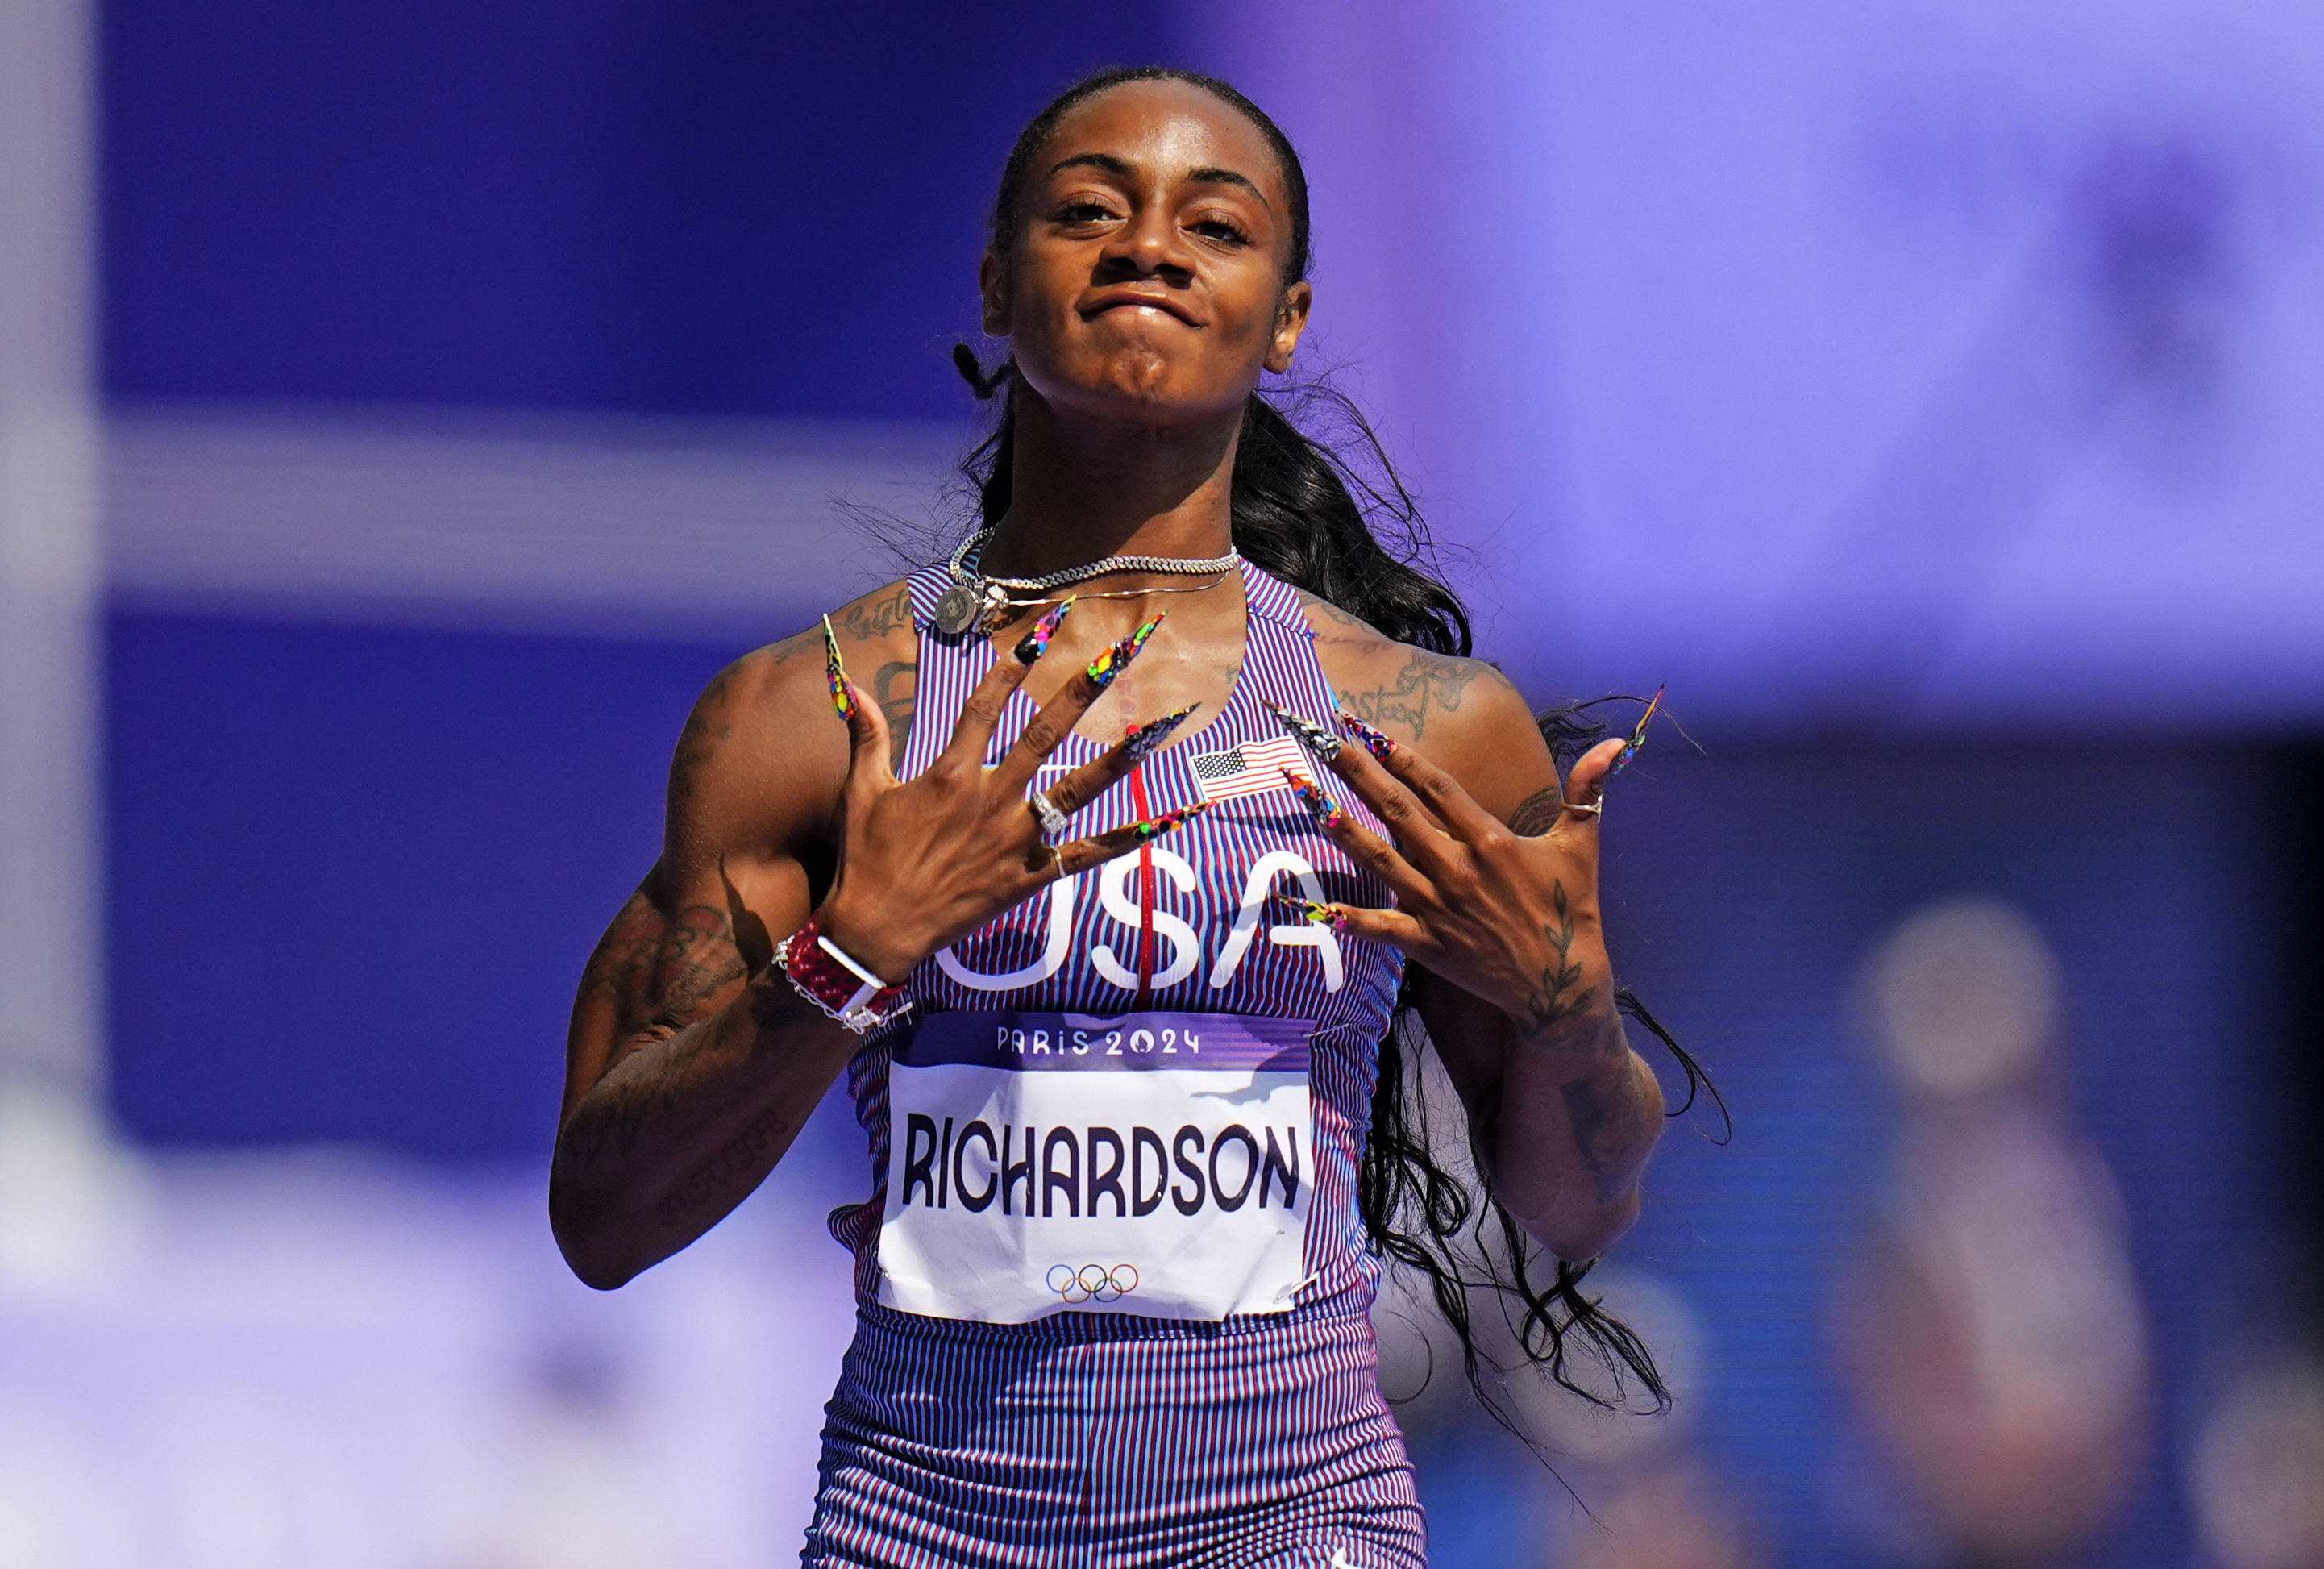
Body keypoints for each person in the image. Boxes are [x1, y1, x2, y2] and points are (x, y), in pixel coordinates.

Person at [550, 65, 1668, 1569]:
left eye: (1214, 224)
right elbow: (606, 1218)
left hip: (1295, 1521)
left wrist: (1571, 1011)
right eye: (1088, 213)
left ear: (1287, 317)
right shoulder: (816, 716)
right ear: (999, 287)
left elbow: (1575, 1205)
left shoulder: (1428, 728)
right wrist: (853, 954)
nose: (1148, 246)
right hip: (925, 1526)